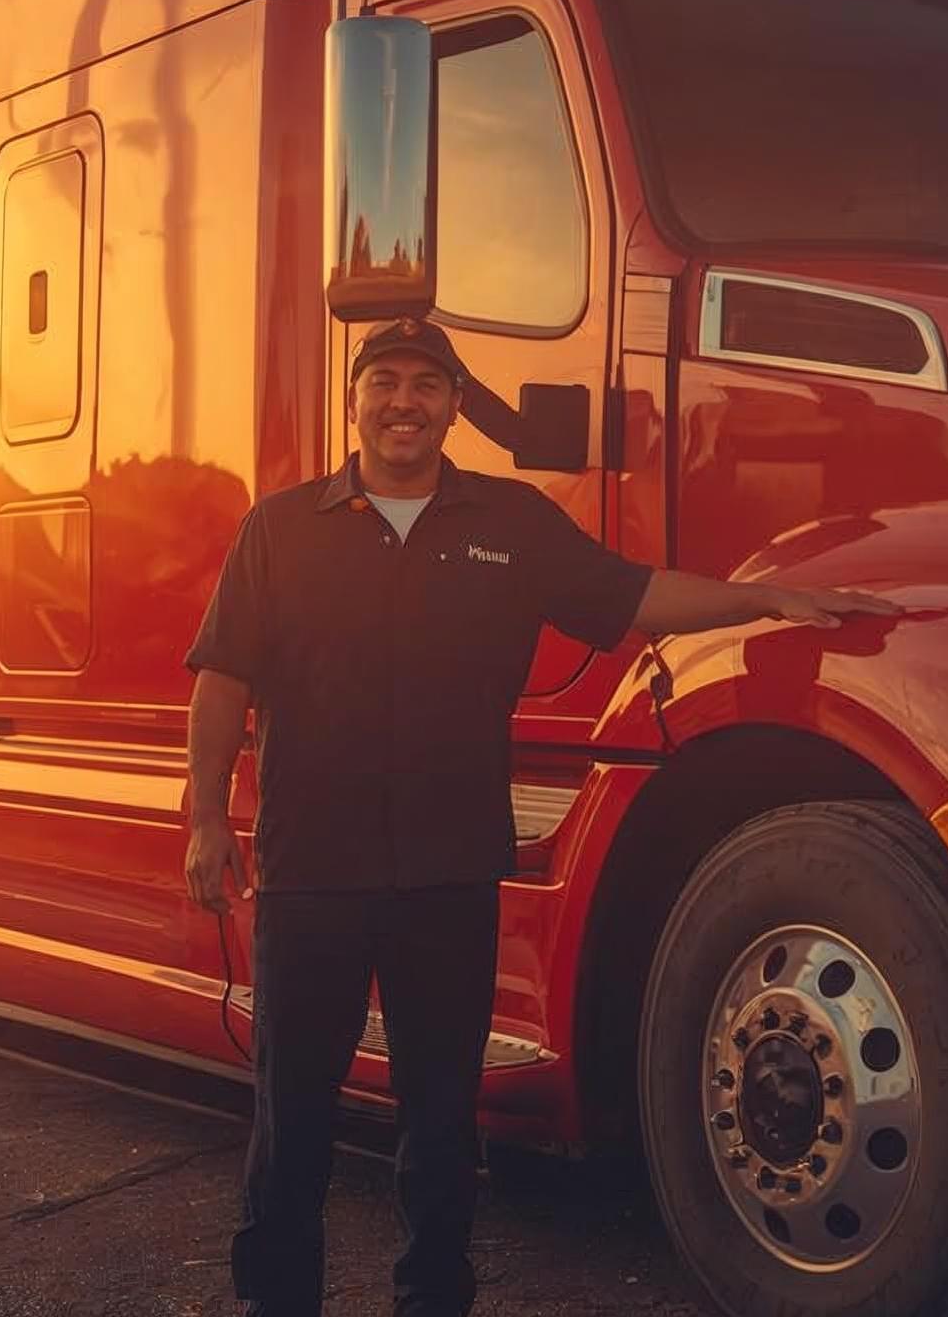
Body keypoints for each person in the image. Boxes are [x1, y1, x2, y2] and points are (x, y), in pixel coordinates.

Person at [183, 315, 900, 1317]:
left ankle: (434, 1300)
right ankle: (277, 1303)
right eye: (384, 382)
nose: (402, 403)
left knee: (442, 1120)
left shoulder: (510, 523)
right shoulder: (281, 527)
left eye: (425, 385)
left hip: (448, 873)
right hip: (312, 873)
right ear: (354, 401)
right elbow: (222, 678)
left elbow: (634, 595)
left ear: (452, 404)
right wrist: (206, 816)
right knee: (292, 1114)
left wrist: (766, 600)